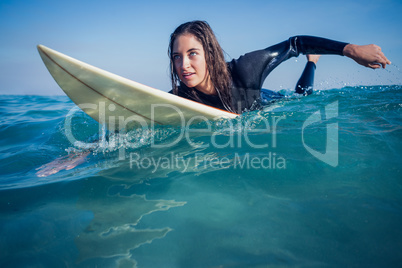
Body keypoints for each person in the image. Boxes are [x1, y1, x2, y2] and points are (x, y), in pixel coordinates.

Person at [168, 20, 391, 114]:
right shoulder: (181, 95)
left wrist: (351, 50)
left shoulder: (245, 69)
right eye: (177, 57)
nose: (183, 65)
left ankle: (312, 62)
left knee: (302, 96)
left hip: (269, 100)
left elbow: (295, 44)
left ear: (210, 54)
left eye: (192, 54)